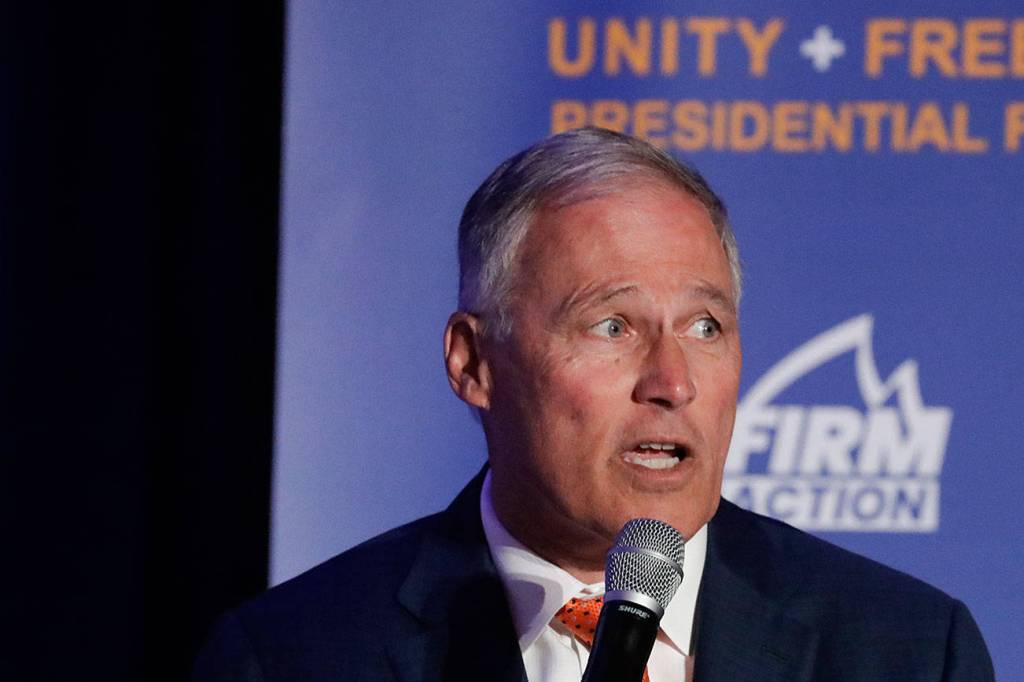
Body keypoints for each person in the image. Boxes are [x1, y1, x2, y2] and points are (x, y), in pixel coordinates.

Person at [194, 128, 994, 681]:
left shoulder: (909, 653)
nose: (672, 381)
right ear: (474, 363)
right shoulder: (296, 658)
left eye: (706, 327)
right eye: (612, 326)